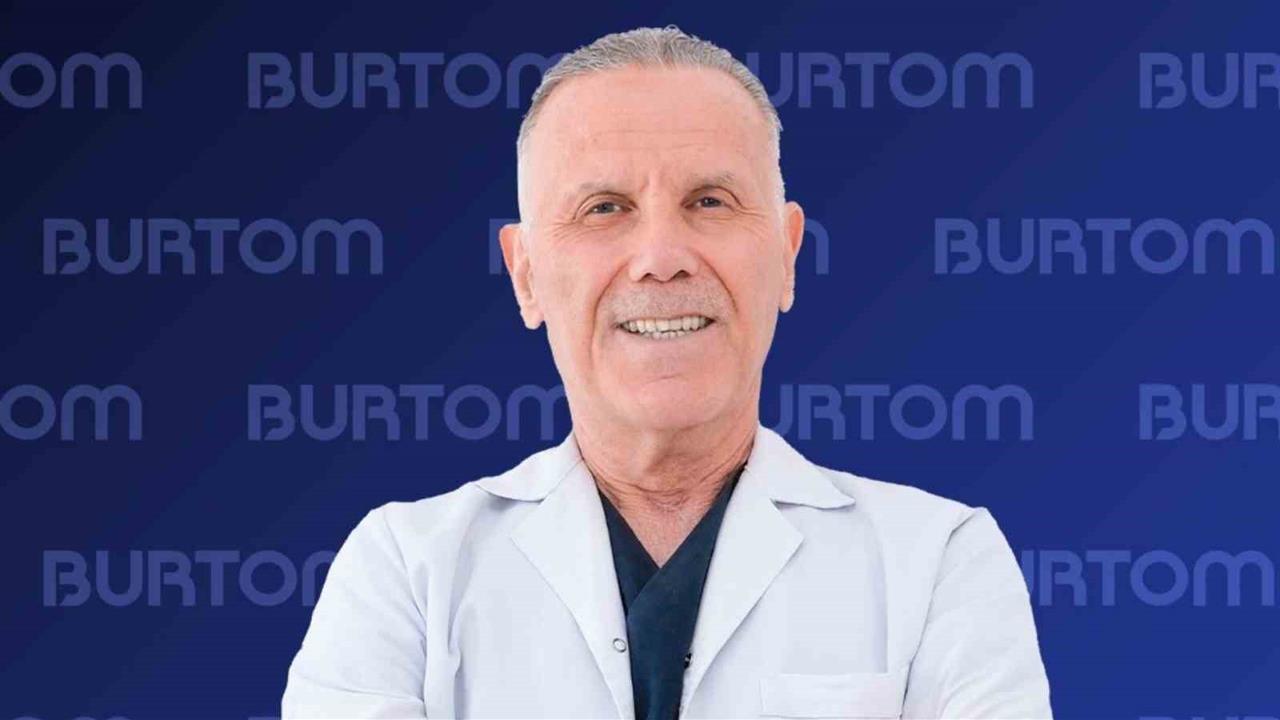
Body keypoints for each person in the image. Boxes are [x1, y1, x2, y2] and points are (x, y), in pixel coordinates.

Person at [282, 25, 1052, 719]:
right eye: (604, 208)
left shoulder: (939, 563)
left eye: (710, 201)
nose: (660, 257)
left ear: (786, 256)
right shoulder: (406, 573)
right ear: (526, 276)